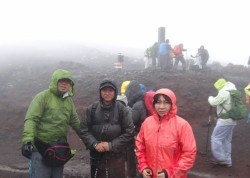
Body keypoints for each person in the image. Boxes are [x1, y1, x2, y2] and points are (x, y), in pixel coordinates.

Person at [21, 69, 80, 178]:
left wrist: (91, 142)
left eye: (67, 82)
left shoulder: (69, 101)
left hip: (59, 149)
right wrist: (27, 140)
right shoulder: (42, 97)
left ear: (70, 85)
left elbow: (76, 123)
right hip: (41, 148)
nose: (64, 84)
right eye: (61, 81)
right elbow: (31, 119)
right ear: (54, 81)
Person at [79, 79, 134, 178]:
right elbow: (83, 130)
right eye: (104, 90)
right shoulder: (92, 109)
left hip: (117, 159)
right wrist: (94, 144)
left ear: (115, 92)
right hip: (97, 158)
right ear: (100, 92)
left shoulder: (122, 110)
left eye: (110, 90)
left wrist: (111, 145)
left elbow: (129, 132)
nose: (107, 93)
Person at [136, 88, 196, 178]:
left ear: (172, 104)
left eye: (166, 103)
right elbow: (140, 147)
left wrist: (170, 172)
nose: (161, 107)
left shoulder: (182, 125)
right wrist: (144, 166)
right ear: (153, 103)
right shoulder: (147, 123)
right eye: (158, 102)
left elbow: (189, 154)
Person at [208, 78, 237, 168]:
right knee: (226, 140)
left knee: (215, 138)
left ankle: (221, 159)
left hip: (224, 120)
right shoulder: (233, 91)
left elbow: (213, 102)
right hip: (232, 120)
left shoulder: (224, 92)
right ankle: (228, 161)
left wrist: (210, 98)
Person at [125, 80, 148, 178]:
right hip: (146, 135)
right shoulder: (144, 101)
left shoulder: (137, 105)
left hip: (138, 136)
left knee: (135, 159)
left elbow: (130, 122)